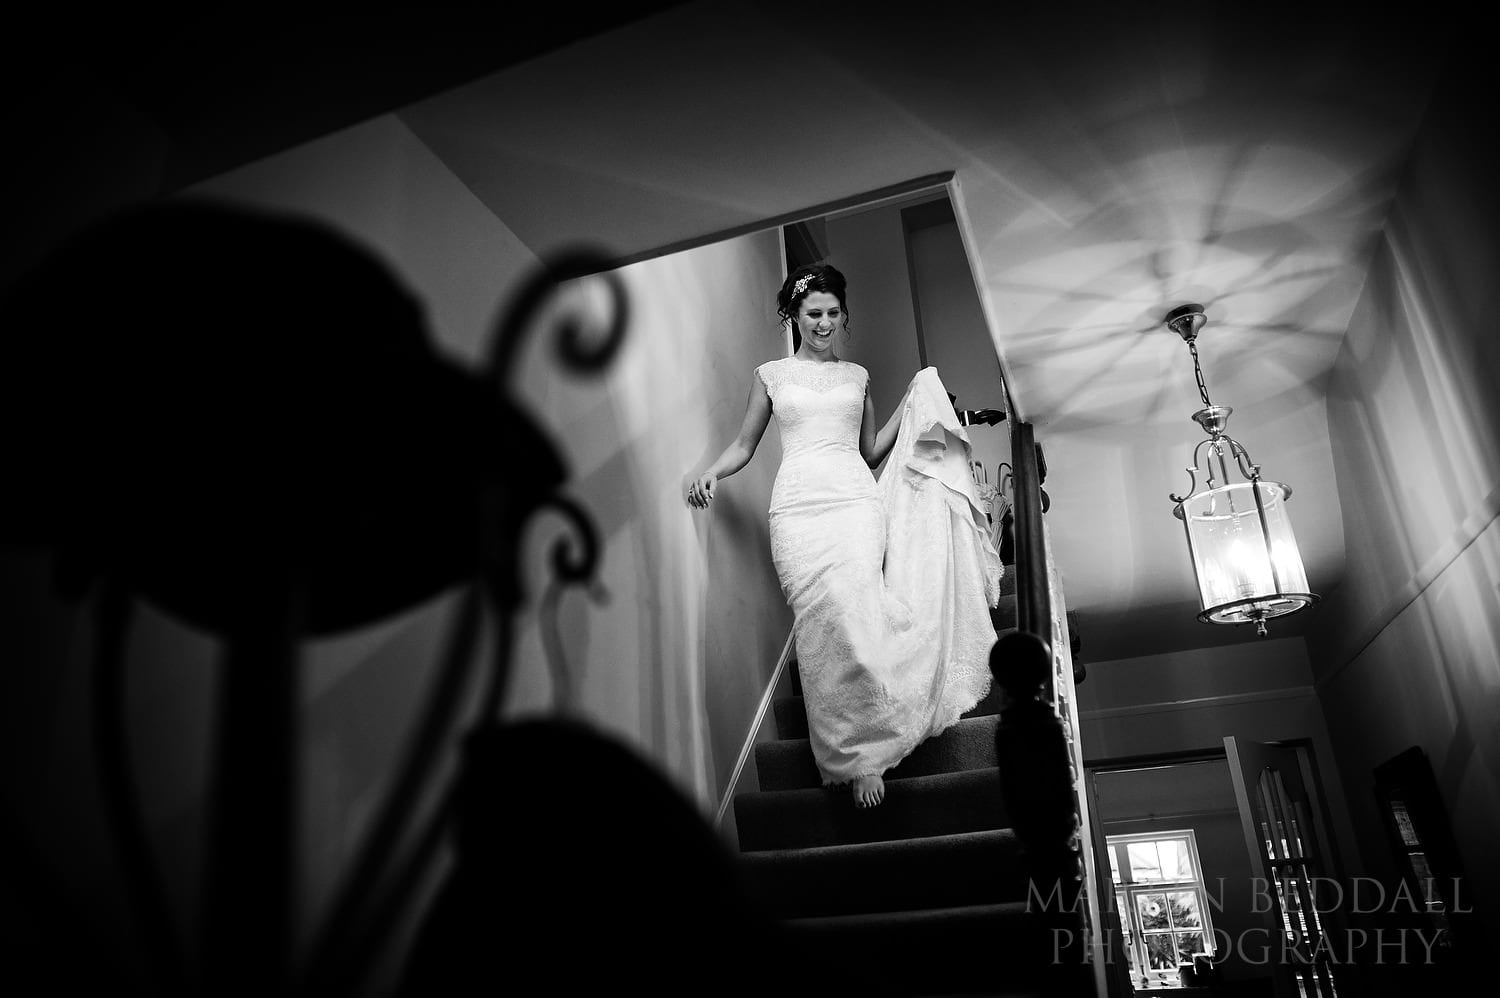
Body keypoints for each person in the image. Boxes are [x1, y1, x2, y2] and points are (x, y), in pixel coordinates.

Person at [687, 263, 1001, 808]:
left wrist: (914, 398)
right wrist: (712, 470)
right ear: (795, 316)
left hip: (855, 503)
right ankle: (848, 753)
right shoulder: (772, 376)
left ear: (844, 316)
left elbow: (871, 451)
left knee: (857, 607)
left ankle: (870, 753)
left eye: (833, 314)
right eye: (814, 314)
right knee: (822, 620)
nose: (825, 324)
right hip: (796, 508)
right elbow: (744, 445)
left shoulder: (857, 377)